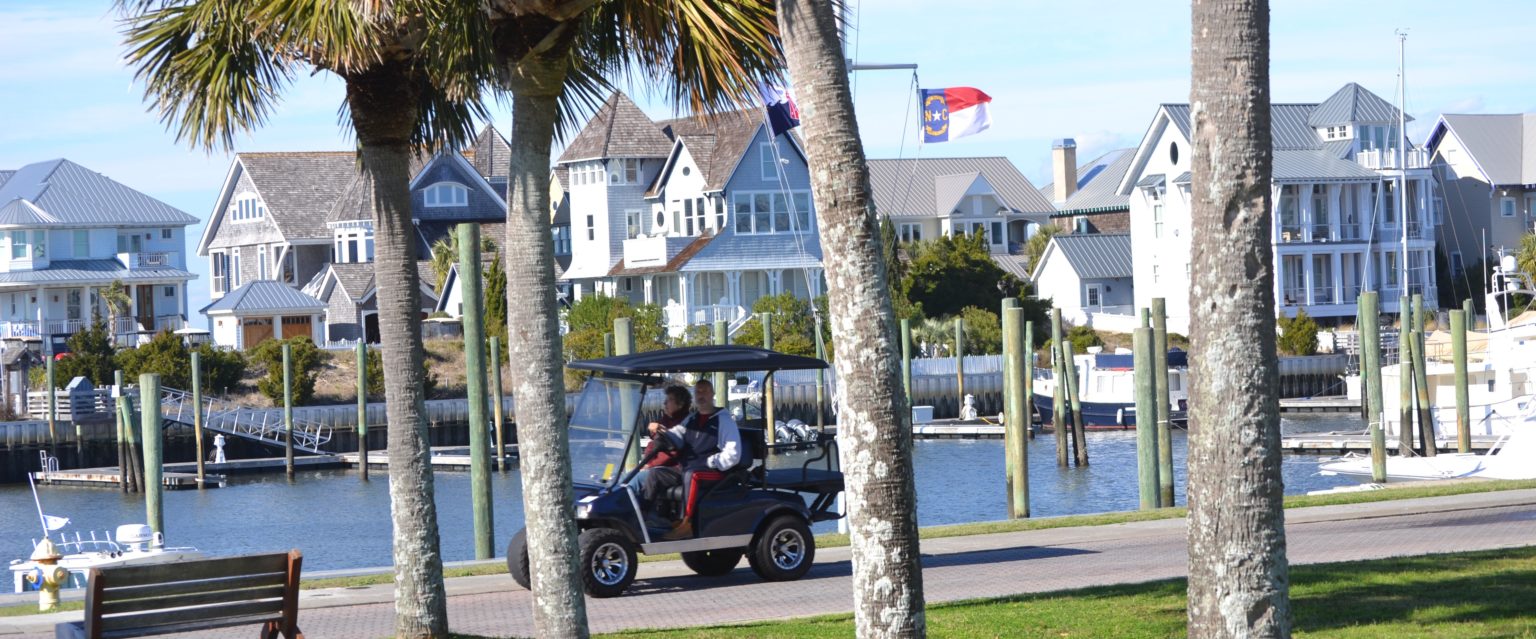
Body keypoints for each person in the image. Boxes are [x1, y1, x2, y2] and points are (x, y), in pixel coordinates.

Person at [641, 378, 746, 539]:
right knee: (655, 474)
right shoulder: (692, 419)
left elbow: (733, 454)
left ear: (712, 394)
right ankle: (646, 516)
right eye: (698, 391)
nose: (701, 395)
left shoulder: (723, 420)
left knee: (692, 475)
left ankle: (686, 523)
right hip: (688, 467)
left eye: (705, 391)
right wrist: (661, 433)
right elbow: (676, 435)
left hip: (713, 471)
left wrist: (711, 461)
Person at [626, 386, 691, 498]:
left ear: (680, 404)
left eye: (669, 400)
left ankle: (637, 510)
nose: (664, 403)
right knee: (624, 477)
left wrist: (649, 465)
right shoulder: (666, 420)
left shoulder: (685, 423)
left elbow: (672, 452)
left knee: (635, 481)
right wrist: (645, 463)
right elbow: (653, 444)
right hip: (660, 466)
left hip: (675, 468)